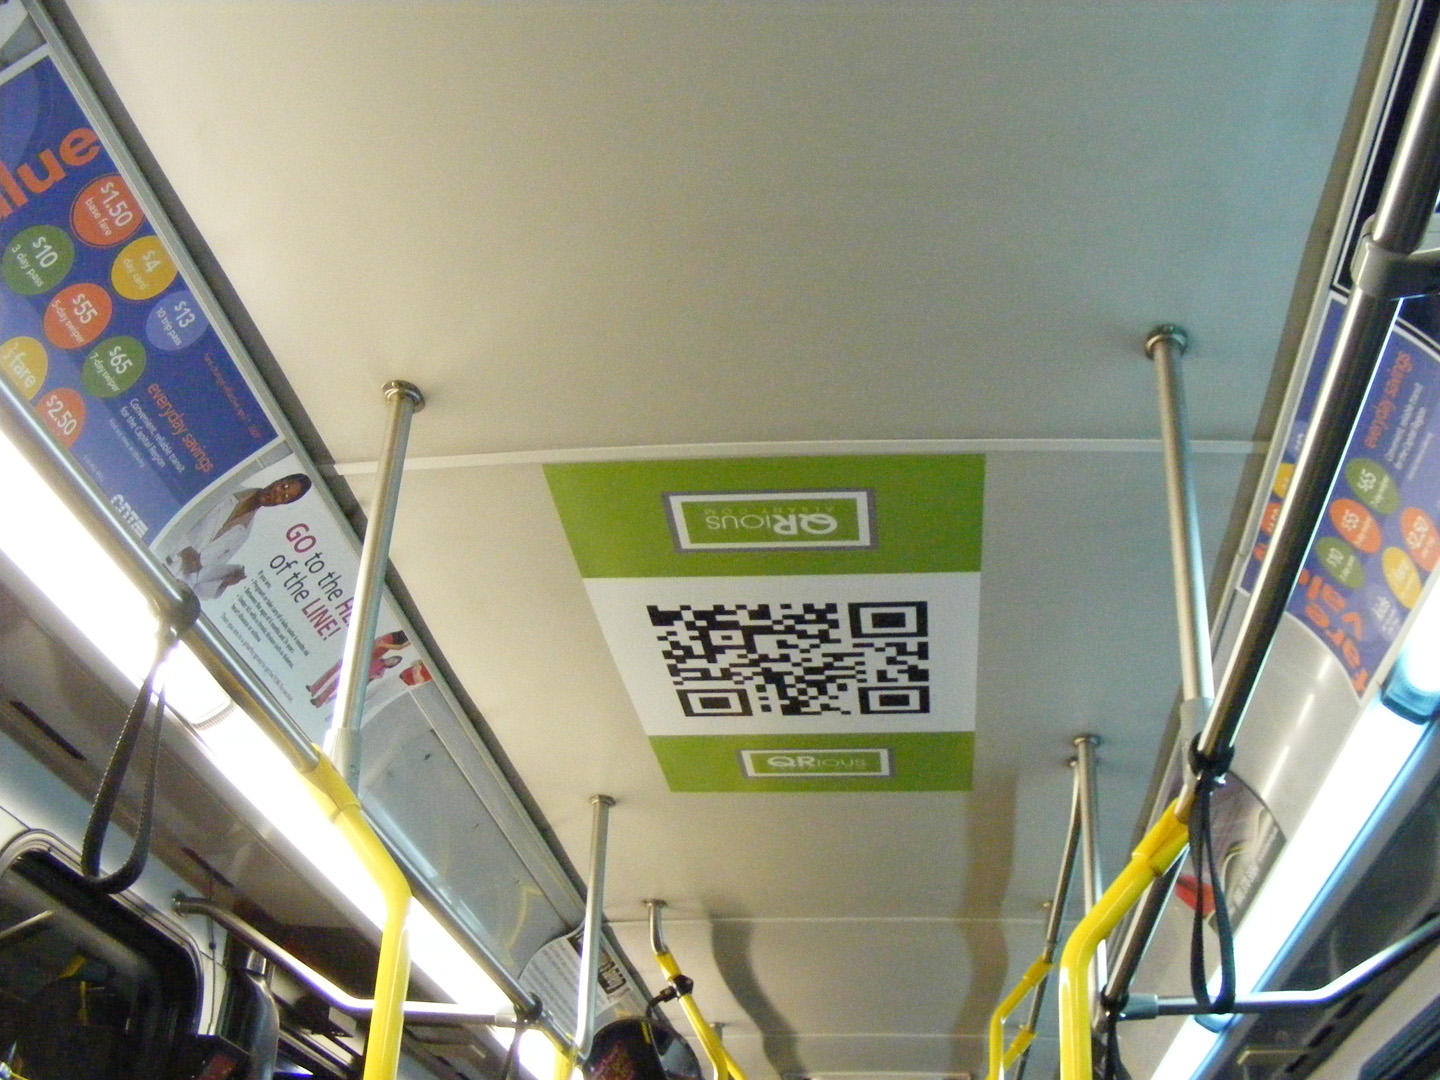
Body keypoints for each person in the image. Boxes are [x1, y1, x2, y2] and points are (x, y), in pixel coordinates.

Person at [163, 473, 312, 599]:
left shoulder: (243, 533)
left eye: (285, 497)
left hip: (175, 588)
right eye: (284, 487)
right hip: (160, 557)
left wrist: (223, 582)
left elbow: (201, 579)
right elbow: (176, 510)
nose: (277, 495)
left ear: (283, 504)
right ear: (278, 480)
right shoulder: (226, 489)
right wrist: (185, 549)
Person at [307, 630, 410, 707]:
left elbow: (399, 647)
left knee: (337, 679)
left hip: (361, 660)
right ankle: (315, 691)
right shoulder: (387, 639)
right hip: (357, 655)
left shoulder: (387, 643)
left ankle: (319, 698)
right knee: (334, 674)